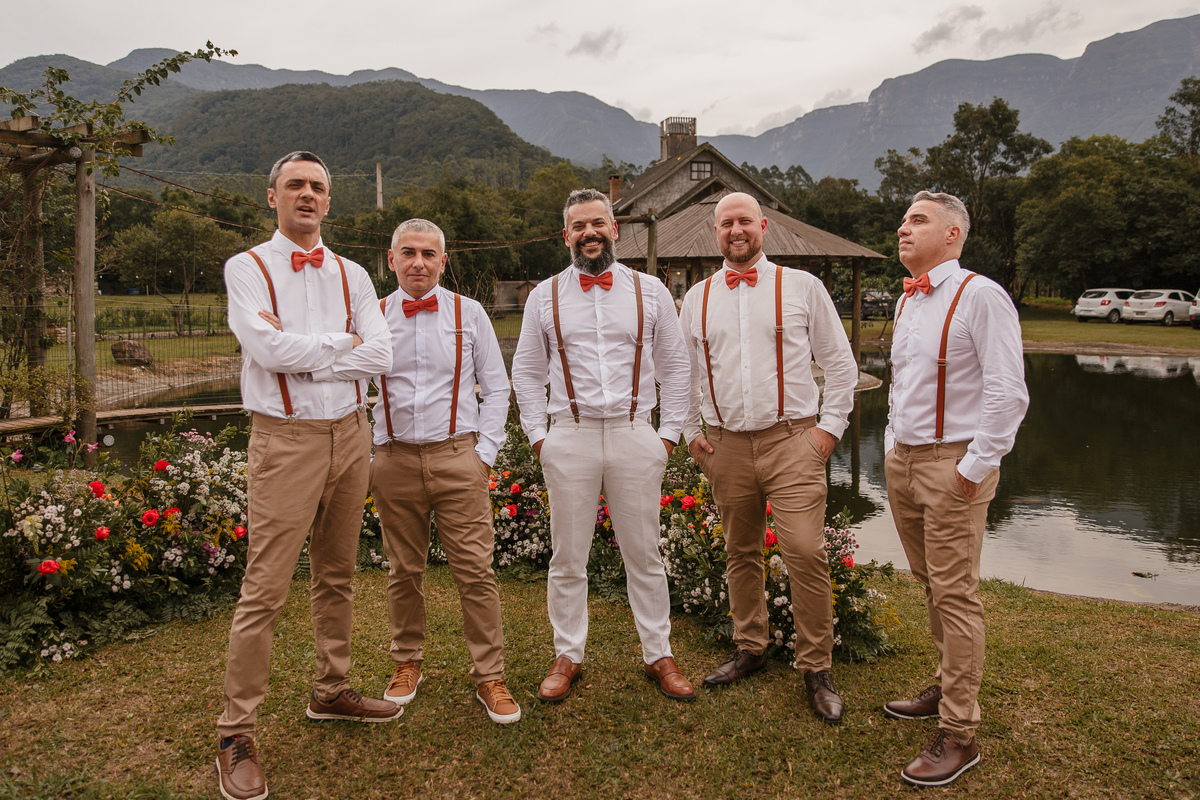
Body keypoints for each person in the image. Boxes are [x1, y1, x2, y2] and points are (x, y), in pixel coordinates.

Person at [216, 151, 400, 800]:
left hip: (353, 435)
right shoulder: (247, 268)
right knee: (265, 588)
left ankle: (332, 690)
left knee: (338, 574)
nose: (306, 194)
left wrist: (310, 353)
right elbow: (264, 350)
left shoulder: (354, 275)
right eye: (294, 184)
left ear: (329, 201)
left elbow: (382, 352)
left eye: (317, 187)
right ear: (271, 197)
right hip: (285, 441)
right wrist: (342, 347)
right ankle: (235, 732)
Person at [680, 191, 859, 725]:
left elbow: (840, 366)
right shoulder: (697, 298)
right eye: (725, 223)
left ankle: (816, 667)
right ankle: (750, 646)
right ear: (716, 232)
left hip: (793, 441)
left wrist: (827, 432)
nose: (736, 231)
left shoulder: (803, 287)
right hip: (726, 445)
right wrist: (692, 432)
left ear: (763, 227)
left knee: (805, 551)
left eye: (745, 222)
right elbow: (685, 374)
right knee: (740, 550)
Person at [511, 188, 695, 703]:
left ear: (615, 229)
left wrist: (668, 436)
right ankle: (568, 654)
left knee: (645, 553)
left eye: (598, 223)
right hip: (568, 434)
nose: (589, 233)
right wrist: (538, 437)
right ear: (565, 235)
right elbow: (525, 372)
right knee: (568, 556)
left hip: (637, 433)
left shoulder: (651, 291)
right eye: (578, 226)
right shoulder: (543, 295)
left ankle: (659, 653)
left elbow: (677, 367)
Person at [884, 191, 1028, 787]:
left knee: (956, 592)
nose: (903, 228)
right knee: (931, 584)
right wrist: (893, 443)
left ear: (953, 235)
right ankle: (946, 684)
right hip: (904, 464)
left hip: (953, 465)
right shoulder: (906, 300)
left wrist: (974, 466)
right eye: (903, 220)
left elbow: (1007, 390)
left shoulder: (981, 294)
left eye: (918, 220)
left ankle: (960, 732)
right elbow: (906, 383)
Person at [369, 218, 520, 725]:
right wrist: (371, 452)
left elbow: (497, 388)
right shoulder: (370, 316)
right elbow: (348, 384)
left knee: (475, 571)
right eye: (408, 253)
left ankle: (490, 675)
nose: (418, 262)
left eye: (428, 254)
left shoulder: (469, 313)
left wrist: (486, 454)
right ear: (391, 260)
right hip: (393, 460)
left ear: (443, 261)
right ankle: (406, 662)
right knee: (402, 571)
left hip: (459, 457)